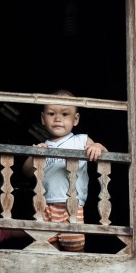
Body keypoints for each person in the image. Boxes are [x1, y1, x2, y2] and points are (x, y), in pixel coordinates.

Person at [22, 90, 106, 252]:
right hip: (45, 206)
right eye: (51, 113)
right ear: (42, 118)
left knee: (74, 249)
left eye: (65, 114)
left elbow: (104, 151)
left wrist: (96, 147)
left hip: (71, 207)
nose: (58, 118)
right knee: (48, 249)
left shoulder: (80, 140)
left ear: (75, 119)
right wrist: (35, 156)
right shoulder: (43, 146)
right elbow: (26, 171)